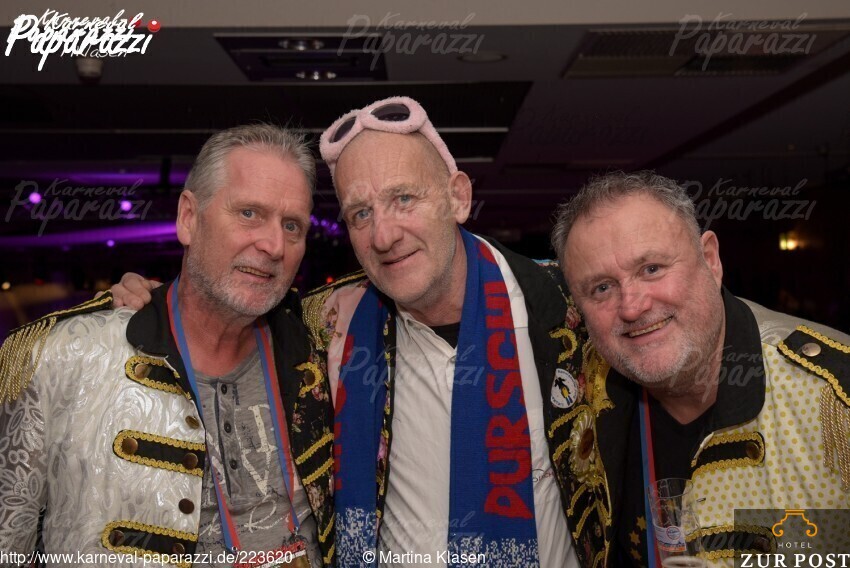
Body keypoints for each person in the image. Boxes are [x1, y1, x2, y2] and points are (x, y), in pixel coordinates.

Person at [111, 98, 604, 567]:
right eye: (361, 214)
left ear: (458, 196)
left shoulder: (571, 310)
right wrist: (156, 299)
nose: (384, 236)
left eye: (404, 199)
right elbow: (225, 302)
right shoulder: (329, 323)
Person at [0, 125, 335, 567]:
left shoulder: (321, 351)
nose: (274, 245)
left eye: (292, 226)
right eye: (249, 213)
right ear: (188, 218)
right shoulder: (60, 356)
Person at [550, 170, 850, 565]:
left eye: (651, 268)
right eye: (602, 288)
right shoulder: (581, 398)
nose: (632, 307)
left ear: (710, 260)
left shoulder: (834, 398)